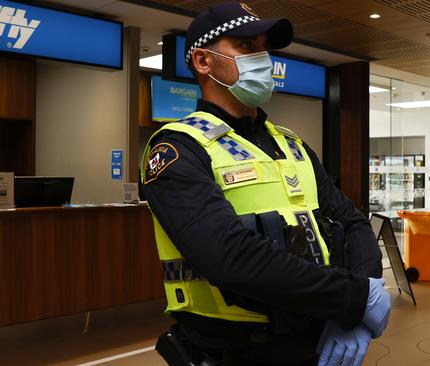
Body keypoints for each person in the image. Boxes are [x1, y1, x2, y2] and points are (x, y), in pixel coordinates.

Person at [140, 3, 390, 365]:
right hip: (236, 350)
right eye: (245, 47)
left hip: (318, 344)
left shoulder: (292, 144)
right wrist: (351, 298)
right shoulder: (176, 149)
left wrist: (357, 308)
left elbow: (351, 223)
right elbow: (229, 255)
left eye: (263, 47)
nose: (263, 58)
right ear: (202, 62)